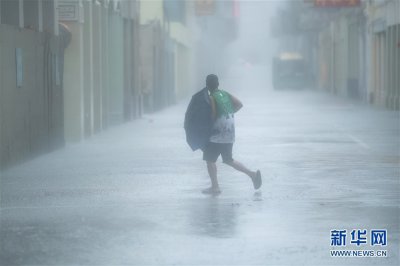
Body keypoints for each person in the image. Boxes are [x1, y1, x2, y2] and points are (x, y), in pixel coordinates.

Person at [185, 74, 262, 195]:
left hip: (218, 133)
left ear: (207, 85)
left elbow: (213, 114)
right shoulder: (225, 94)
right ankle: (252, 174)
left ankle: (215, 187)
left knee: (209, 159)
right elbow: (239, 104)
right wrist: (229, 113)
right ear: (218, 84)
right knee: (228, 159)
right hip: (230, 132)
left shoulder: (211, 98)